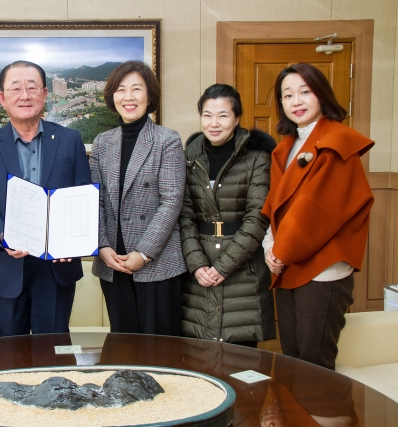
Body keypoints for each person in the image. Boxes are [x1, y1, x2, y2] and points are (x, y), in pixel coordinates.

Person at [0, 61, 91, 337]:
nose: (25, 95)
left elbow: (81, 197)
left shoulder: (70, 140)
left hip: (57, 267)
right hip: (7, 266)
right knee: (11, 355)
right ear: (1, 98)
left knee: (55, 351)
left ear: (45, 94)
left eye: (32, 88)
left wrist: (71, 243)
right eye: (16, 89)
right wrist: (4, 235)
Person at [262, 63, 374, 370]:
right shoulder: (285, 147)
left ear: (321, 95)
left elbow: (315, 213)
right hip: (287, 262)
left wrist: (278, 252)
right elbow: (275, 206)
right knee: (293, 356)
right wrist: (268, 247)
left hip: (322, 270)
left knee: (315, 363)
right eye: (288, 95)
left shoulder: (337, 142)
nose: (296, 101)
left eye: (304, 92)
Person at [89, 60, 186, 336]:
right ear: (112, 97)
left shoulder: (167, 139)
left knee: (159, 350)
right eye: (121, 90)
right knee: (124, 344)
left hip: (157, 263)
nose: (128, 97)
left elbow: (172, 201)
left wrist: (143, 253)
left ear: (150, 95)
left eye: (136, 89)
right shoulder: (102, 142)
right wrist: (102, 247)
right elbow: (94, 199)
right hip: (113, 262)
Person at [179, 84, 276, 347]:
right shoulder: (191, 154)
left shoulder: (257, 156)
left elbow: (257, 218)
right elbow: (184, 216)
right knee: (198, 357)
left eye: (223, 115)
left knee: (242, 358)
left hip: (243, 267)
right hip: (198, 267)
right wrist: (197, 264)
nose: (214, 123)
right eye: (207, 115)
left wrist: (222, 267)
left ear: (236, 118)